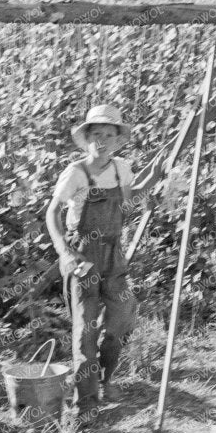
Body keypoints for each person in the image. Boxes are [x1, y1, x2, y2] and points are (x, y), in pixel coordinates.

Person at [45, 104, 167, 411]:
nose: (102, 140)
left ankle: (105, 378)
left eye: (108, 135)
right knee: (85, 329)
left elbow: (129, 202)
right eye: (96, 134)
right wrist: (64, 251)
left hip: (114, 252)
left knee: (122, 317)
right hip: (82, 253)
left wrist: (157, 186)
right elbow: (51, 213)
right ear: (86, 139)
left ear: (118, 140)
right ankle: (86, 403)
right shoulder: (76, 173)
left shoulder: (120, 168)